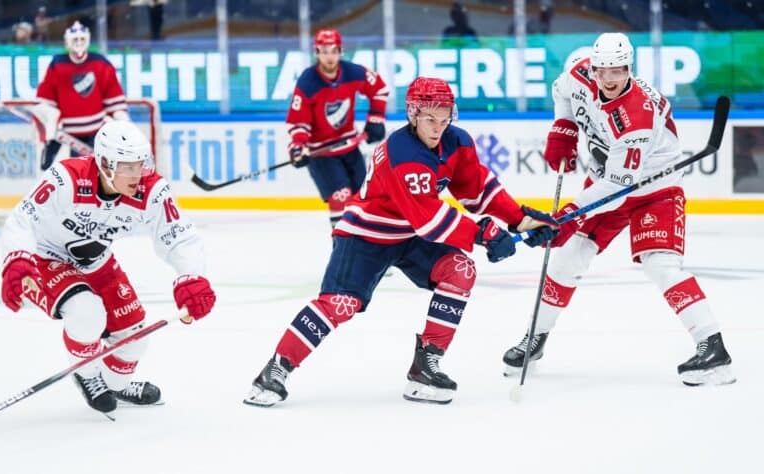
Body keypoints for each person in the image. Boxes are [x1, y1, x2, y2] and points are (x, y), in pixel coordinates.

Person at [243, 77, 558, 407]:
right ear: (412, 115)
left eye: (445, 117)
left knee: (460, 270)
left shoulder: (457, 142)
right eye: (429, 119)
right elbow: (430, 219)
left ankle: (425, 366)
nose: (438, 127)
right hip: (366, 233)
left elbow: (477, 188)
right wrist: (482, 233)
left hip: (410, 235)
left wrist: (520, 219)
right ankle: (275, 369)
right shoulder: (402, 152)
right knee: (340, 305)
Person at [502, 32, 735, 387]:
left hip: (652, 187)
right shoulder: (579, 75)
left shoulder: (637, 114)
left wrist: (567, 214)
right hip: (607, 180)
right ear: (592, 67)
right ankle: (536, 338)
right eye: (602, 70)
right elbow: (559, 90)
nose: (608, 78)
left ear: (630, 68)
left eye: (618, 70)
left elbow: (618, 188)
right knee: (568, 258)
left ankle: (712, 346)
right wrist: (563, 128)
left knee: (661, 265)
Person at [0, 120, 217, 416]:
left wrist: (192, 277)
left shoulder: (151, 190)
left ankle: (115, 384)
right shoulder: (67, 178)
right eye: (127, 167)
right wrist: (18, 260)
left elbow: (179, 236)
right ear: (103, 163)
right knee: (87, 314)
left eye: (140, 164)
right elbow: (22, 219)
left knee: (135, 342)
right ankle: (87, 375)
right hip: (47, 257)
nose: (137, 174)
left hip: (97, 259)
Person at [286, 29, 389, 228]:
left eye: (334, 50)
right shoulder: (308, 81)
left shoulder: (353, 72)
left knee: (365, 198)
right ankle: (341, 247)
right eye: (324, 51)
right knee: (341, 197)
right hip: (321, 154)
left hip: (349, 148)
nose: (330, 56)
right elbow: (298, 121)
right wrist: (298, 145)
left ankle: (364, 247)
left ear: (340, 51)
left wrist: (376, 119)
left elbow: (379, 88)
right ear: (317, 52)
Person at [34, 21, 130, 171]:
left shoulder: (100, 63)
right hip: (68, 133)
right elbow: (46, 98)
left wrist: (122, 120)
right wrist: (51, 121)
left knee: (94, 174)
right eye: (75, 39)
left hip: (96, 131)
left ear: (88, 40)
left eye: (82, 39)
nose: (79, 43)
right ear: (67, 41)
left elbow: (113, 94)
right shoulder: (57, 64)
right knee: (65, 171)